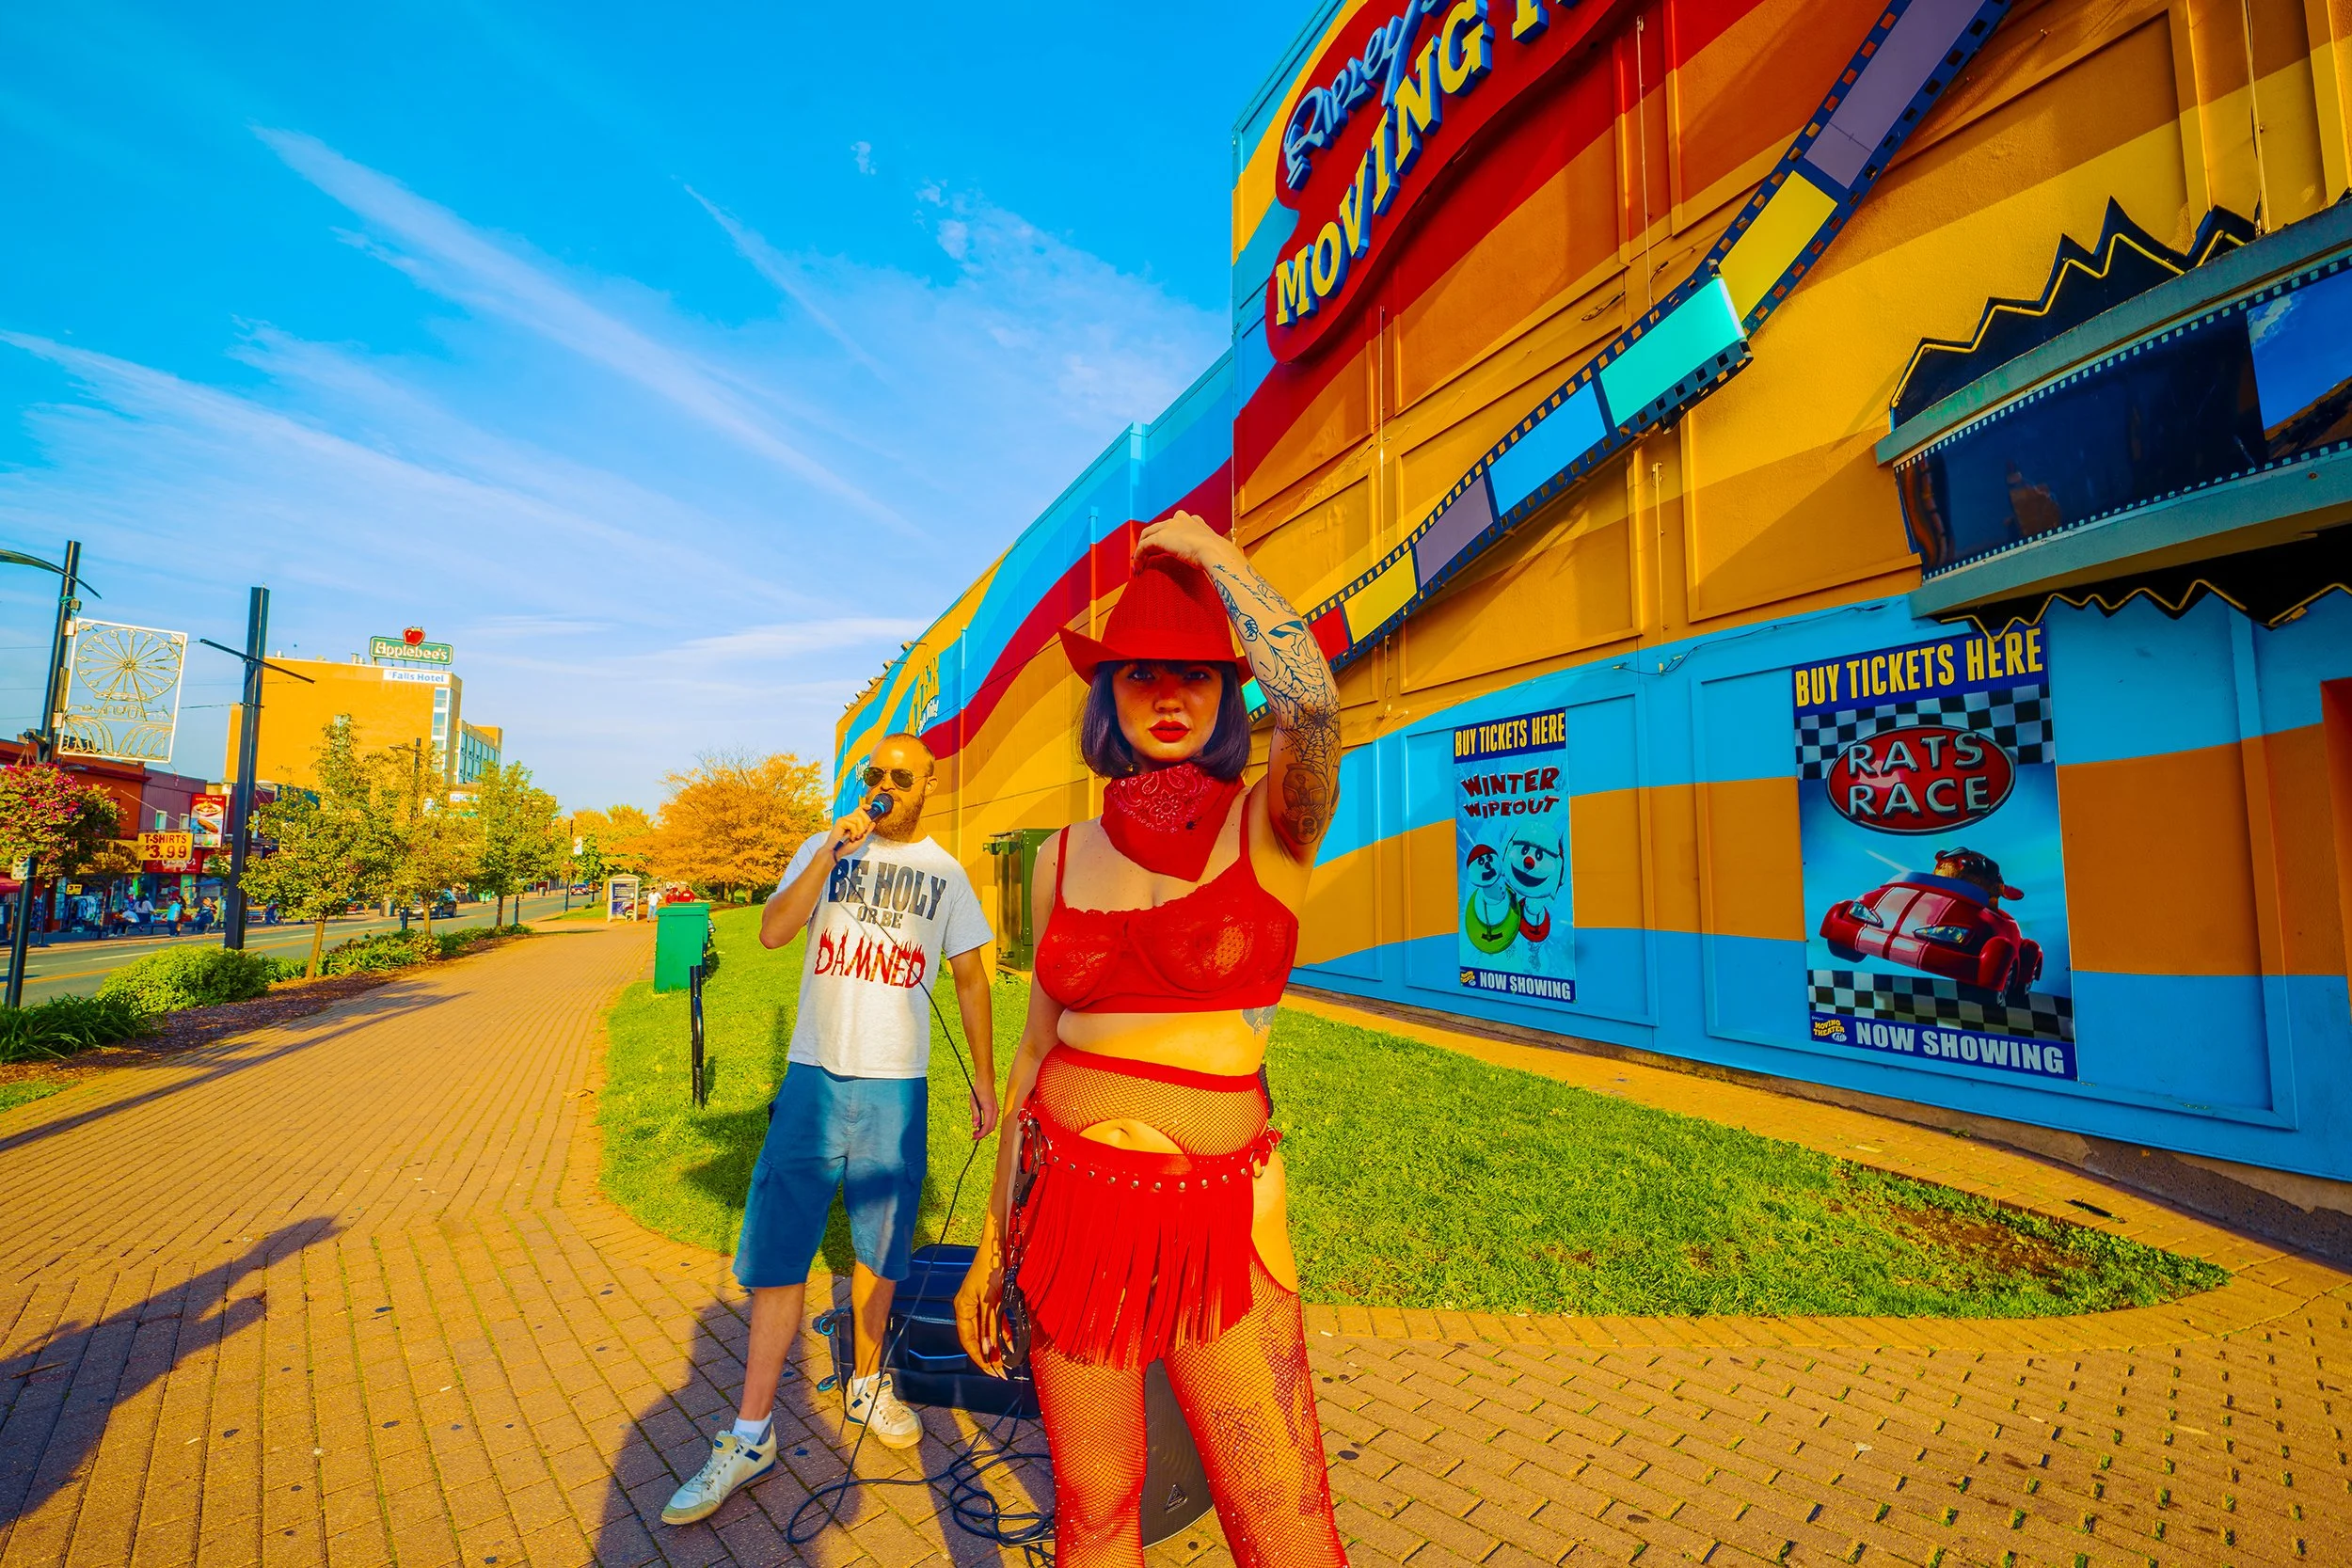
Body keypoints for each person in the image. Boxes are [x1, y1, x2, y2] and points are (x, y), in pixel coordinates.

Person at [954, 513, 1348, 1566]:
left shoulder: (1272, 822)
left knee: (1279, 1506)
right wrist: (995, 1242)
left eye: (1197, 674)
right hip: (1069, 1217)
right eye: (1140, 674)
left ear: (1228, 693)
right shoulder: (1058, 855)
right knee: (1091, 1499)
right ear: (1107, 693)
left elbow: (1311, 699)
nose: (1169, 696)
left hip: (1217, 1221)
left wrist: (1212, 557)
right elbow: (1035, 1053)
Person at [662, 732, 999, 1526]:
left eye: (898, 777)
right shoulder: (826, 845)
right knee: (781, 1248)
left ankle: (867, 1381)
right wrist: (830, 852)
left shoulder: (946, 874)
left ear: (928, 784)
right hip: (814, 1077)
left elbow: (973, 976)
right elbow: (774, 932)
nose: (883, 785)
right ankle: (750, 1433)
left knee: (882, 1245)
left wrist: (983, 1077)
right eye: (872, 774)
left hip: (897, 1084)